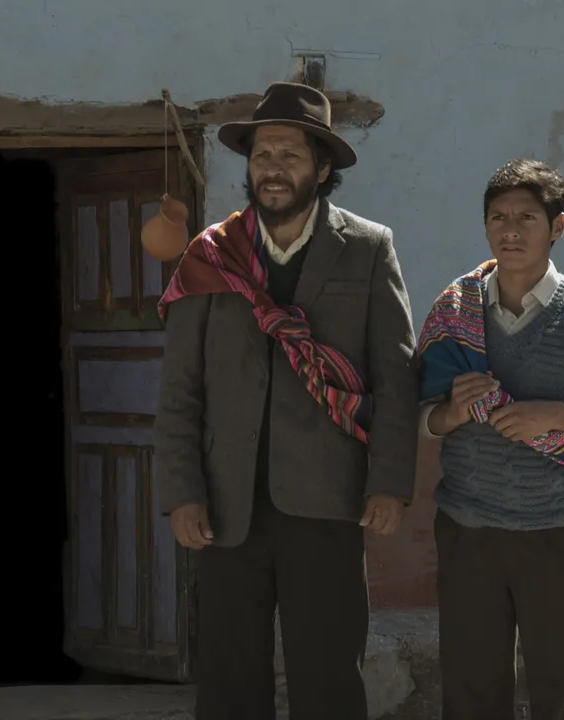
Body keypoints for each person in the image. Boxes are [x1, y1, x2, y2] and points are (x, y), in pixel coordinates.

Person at [153, 81, 420, 720]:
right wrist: (182, 491)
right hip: (226, 506)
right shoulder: (210, 255)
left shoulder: (367, 249)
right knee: (229, 677)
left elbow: (396, 374)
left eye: (290, 155)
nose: (272, 168)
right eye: (262, 155)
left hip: (328, 500)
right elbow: (181, 388)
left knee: (327, 674)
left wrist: (389, 482)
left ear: (321, 169)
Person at [416, 158, 564, 719]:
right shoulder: (455, 311)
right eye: (498, 217)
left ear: (558, 227)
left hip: (557, 533)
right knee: (471, 693)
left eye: (527, 217)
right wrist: (452, 413)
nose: (510, 230)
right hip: (468, 532)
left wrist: (552, 416)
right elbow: (419, 417)